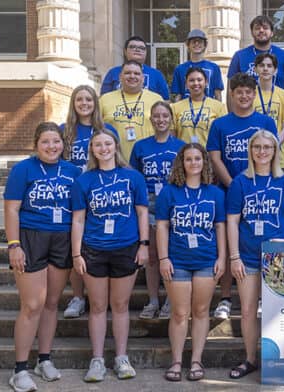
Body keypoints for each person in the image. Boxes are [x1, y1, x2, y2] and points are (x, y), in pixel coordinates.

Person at [4, 122, 81, 392]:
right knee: (32, 305)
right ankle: (20, 369)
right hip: (30, 237)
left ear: (63, 143)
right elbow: (12, 210)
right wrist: (14, 245)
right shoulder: (22, 169)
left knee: (51, 303)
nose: (52, 147)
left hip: (61, 238)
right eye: (46, 142)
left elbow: (78, 214)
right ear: (36, 144)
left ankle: (44, 359)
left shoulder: (73, 171)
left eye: (56, 141)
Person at [71, 128, 149, 382]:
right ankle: (97, 360)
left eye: (107, 143)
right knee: (97, 306)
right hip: (93, 249)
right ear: (92, 149)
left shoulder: (133, 177)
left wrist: (144, 245)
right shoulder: (84, 180)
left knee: (120, 305)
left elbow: (141, 213)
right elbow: (79, 220)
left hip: (126, 247)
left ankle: (121, 358)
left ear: (116, 146)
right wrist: (76, 254)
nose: (103, 149)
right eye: (97, 145)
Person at [226, 130, 284, 378]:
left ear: (275, 151)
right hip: (247, 257)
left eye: (267, 147)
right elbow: (231, 221)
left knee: (279, 311)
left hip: (277, 258)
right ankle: (250, 359)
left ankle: (280, 362)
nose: (262, 151)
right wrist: (234, 256)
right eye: (257, 147)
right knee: (248, 310)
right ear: (250, 151)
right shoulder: (240, 182)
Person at [207, 72, 278, 320]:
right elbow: (215, 158)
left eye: (249, 92)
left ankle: (261, 298)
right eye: (239, 92)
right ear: (232, 94)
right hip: (230, 192)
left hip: (263, 193)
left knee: (257, 243)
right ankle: (226, 298)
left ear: (254, 94)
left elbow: (273, 154)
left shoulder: (266, 122)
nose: (244, 96)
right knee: (229, 245)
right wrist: (236, 185)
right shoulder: (220, 124)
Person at [156, 143, 226, 382]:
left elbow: (220, 227)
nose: (193, 163)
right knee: (179, 313)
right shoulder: (169, 192)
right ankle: (176, 361)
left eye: (198, 159)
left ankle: (196, 360)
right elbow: (163, 226)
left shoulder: (215, 193)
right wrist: (163, 258)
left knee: (201, 311)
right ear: (181, 163)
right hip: (178, 260)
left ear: (204, 162)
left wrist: (222, 257)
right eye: (188, 159)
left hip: (206, 260)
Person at [60, 85, 117, 320]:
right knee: (76, 246)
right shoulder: (65, 131)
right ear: (73, 103)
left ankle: (105, 298)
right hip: (70, 193)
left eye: (89, 99)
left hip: (101, 195)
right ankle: (78, 296)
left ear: (95, 103)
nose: (84, 103)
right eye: (79, 99)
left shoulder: (105, 129)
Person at [129, 101, 186, 320]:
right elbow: (135, 178)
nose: (161, 119)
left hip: (173, 202)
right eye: (156, 116)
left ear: (171, 119)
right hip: (149, 203)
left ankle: (170, 301)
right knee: (152, 255)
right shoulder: (141, 147)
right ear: (151, 119)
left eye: (165, 116)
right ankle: (153, 300)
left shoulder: (180, 146)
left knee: (171, 254)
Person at [227, 15, 284, 111]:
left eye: (265, 27)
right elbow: (231, 89)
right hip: (246, 112)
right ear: (252, 32)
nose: (261, 30)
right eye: (257, 28)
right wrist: (232, 117)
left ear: (272, 32)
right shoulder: (239, 56)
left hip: (278, 112)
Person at [100, 60, 164, 161]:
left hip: (148, 158)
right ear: (120, 77)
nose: (132, 76)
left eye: (137, 73)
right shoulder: (104, 99)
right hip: (114, 159)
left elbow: (165, 130)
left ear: (143, 78)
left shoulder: (156, 99)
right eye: (127, 73)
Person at [252, 52, 284, 170]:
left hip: (278, 156)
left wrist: (273, 144)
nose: (265, 69)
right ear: (255, 69)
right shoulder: (250, 94)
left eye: (269, 66)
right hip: (256, 155)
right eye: (261, 65)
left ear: (275, 70)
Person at [100, 36, 169, 100]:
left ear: (146, 52)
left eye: (142, 48)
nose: (137, 50)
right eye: (133, 47)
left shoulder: (156, 74)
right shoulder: (113, 73)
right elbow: (104, 98)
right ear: (125, 51)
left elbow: (165, 101)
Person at [171, 67, 227, 145]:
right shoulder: (175, 107)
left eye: (199, 80)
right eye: (191, 80)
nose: (196, 83)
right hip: (183, 155)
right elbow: (172, 138)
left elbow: (223, 135)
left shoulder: (219, 107)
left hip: (208, 155)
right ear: (186, 84)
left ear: (206, 82)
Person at [170, 29, 224, 102]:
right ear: (188, 45)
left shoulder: (214, 68)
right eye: (193, 41)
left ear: (205, 45)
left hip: (208, 110)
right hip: (186, 110)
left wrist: (220, 111)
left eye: (200, 41)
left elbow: (218, 94)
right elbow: (177, 95)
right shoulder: (180, 69)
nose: (197, 44)